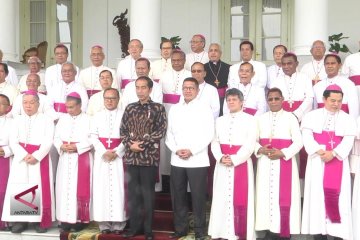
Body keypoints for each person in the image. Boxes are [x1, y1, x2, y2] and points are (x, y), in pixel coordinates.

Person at [301, 84, 356, 240]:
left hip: (337, 161)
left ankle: (337, 233)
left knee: (339, 199)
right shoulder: (311, 116)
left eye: (339, 101)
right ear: (324, 99)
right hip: (317, 163)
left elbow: (348, 140)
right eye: (332, 100)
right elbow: (307, 137)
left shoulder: (348, 119)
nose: (336, 104)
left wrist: (334, 153)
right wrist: (320, 151)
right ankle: (319, 234)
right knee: (317, 198)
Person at [166, 78, 214, 240]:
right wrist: (177, 149)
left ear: (197, 90)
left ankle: (200, 230)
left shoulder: (204, 108)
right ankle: (180, 229)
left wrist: (191, 150)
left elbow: (209, 133)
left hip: (197, 159)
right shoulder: (174, 109)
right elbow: (169, 134)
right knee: (178, 195)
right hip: (177, 159)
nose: (187, 91)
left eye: (191, 88)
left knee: (198, 196)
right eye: (185, 88)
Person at [120, 76, 167, 240]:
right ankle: (134, 228)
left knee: (148, 195)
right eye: (137, 88)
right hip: (132, 158)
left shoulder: (158, 108)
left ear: (150, 89)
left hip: (148, 158)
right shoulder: (130, 108)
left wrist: (142, 144)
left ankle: (148, 230)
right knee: (134, 195)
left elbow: (160, 131)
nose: (140, 91)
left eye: (143, 88)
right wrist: (130, 144)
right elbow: (123, 131)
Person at [2, 91, 54, 233]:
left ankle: (37, 221)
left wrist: (36, 155)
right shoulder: (16, 120)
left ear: (38, 103)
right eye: (25, 102)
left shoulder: (47, 119)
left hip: (38, 158)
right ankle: (22, 220)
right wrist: (24, 154)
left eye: (32, 102)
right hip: (21, 158)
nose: (28, 106)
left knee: (37, 186)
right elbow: (13, 140)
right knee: (21, 186)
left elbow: (49, 140)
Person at [255, 88, 303, 239]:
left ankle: (284, 229)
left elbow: (299, 142)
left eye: (277, 98)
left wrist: (283, 153)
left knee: (283, 196)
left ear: (282, 99)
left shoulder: (290, 118)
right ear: (267, 101)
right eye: (270, 99)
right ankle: (269, 228)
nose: (274, 102)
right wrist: (260, 149)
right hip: (265, 162)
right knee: (265, 195)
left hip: (284, 162)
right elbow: (253, 141)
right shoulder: (260, 118)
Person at [208, 88, 256, 240]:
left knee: (240, 198)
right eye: (229, 100)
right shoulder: (220, 120)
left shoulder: (251, 119)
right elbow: (214, 142)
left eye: (234, 99)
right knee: (221, 197)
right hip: (222, 164)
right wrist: (221, 157)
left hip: (240, 163)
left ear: (242, 102)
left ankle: (239, 232)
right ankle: (220, 231)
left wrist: (235, 159)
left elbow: (250, 144)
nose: (231, 102)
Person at [54, 92, 92, 232]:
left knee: (77, 188)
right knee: (64, 188)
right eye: (67, 107)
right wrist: (61, 146)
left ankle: (78, 220)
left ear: (80, 105)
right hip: (65, 157)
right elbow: (56, 137)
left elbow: (92, 138)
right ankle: (64, 219)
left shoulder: (88, 119)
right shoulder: (63, 119)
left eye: (72, 107)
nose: (69, 110)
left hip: (80, 157)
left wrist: (77, 147)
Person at [90, 88, 127, 235]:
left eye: (112, 98)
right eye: (107, 98)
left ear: (118, 100)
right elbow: (92, 136)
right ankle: (103, 224)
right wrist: (103, 151)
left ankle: (119, 224)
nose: (109, 101)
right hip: (102, 158)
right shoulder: (97, 116)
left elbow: (128, 136)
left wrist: (117, 152)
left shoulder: (125, 115)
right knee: (102, 189)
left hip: (119, 158)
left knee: (119, 189)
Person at [270, 52, 313, 122]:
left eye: (289, 63)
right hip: (281, 118)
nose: (286, 66)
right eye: (283, 64)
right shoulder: (276, 81)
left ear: (296, 64)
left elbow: (309, 99)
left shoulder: (305, 78)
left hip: (302, 117)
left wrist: (296, 115)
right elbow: (273, 100)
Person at [313, 53, 359, 118]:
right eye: (327, 63)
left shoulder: (349, 84)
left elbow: (354, 111)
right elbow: (315, 109)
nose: (330, 66)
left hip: (343, 124)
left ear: (339, 65)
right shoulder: (317, 86)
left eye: (333, 63)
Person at [204, 43, 230, 116]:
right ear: (208, 53)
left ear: (220, 53)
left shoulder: (228, 67)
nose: (213, 52)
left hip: (224, 99)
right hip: (208, 99)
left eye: (216, 50)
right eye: (211, 50)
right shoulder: (203, 67)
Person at [0, 94, 13, 231]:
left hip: (6, 160)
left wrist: (6, 150)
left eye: (1, 103)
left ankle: (6, 222)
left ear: (8, 107)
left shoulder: (13, 122)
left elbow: (18, 141)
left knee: (4, 190)